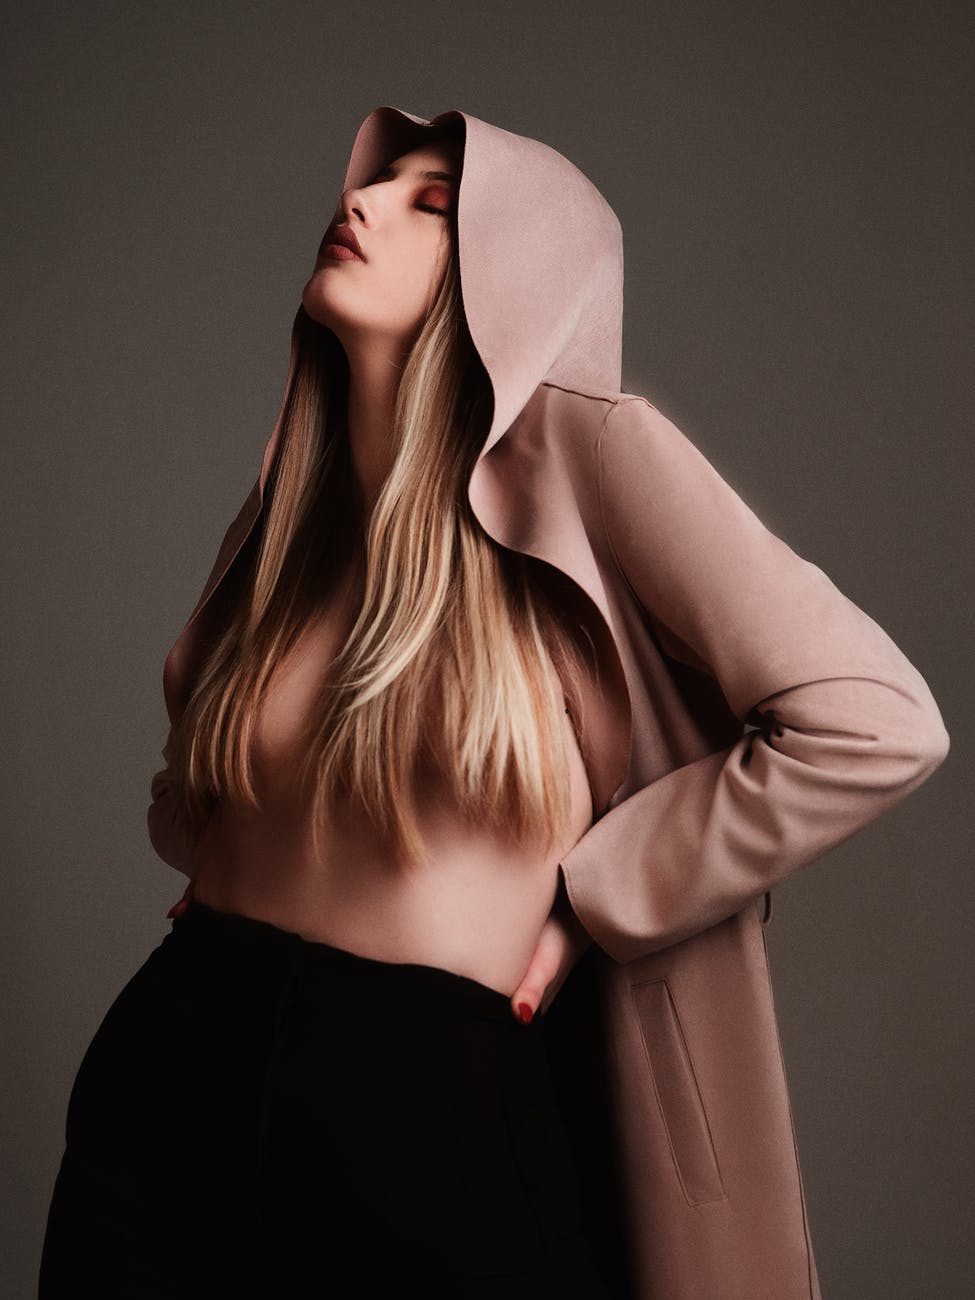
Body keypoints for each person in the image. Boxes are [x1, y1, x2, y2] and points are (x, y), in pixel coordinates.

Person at [37, 105, 950, 1300]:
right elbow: (207, 780)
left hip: (427, 1122)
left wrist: (599, 893)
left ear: (516, 277)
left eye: (433, 203)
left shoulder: (593, 456)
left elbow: (879, 718)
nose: (360, 202)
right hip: (169, 1087)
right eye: (381, 180)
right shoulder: (294, 510)